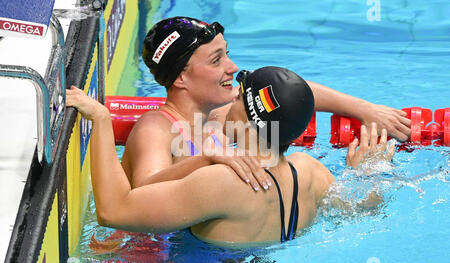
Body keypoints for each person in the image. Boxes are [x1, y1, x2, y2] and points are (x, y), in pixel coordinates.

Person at [66, 66, 395, 245]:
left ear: (249, 125)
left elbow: (113, 211)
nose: (230, 99)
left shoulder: (222, 183)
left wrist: (102, 120)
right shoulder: (309, 172)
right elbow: (362, 207)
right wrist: (366, 172)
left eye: (238, 98)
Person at [120, 16, 410, 192]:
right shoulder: (156, 129)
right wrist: (208, 158)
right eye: (216, 59)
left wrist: (364, 110)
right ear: (181, 77)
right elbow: (144, 188)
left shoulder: (214, 117)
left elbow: (289, 91)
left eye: (227, 54)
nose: (232, 67)